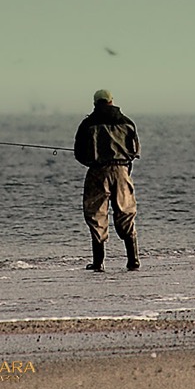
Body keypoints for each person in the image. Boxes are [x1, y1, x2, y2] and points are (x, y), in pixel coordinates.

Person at [74, 89, 142, 271]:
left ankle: (99, 263)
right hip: (122, 171)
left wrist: (92, 161)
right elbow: (135, 150)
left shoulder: (87, 124)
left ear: (95, 103)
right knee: (126, 213)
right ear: (112, 101)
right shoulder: (127, 123)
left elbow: (79, 153)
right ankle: (133, 260)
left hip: (97, 171)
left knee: (96, 214)